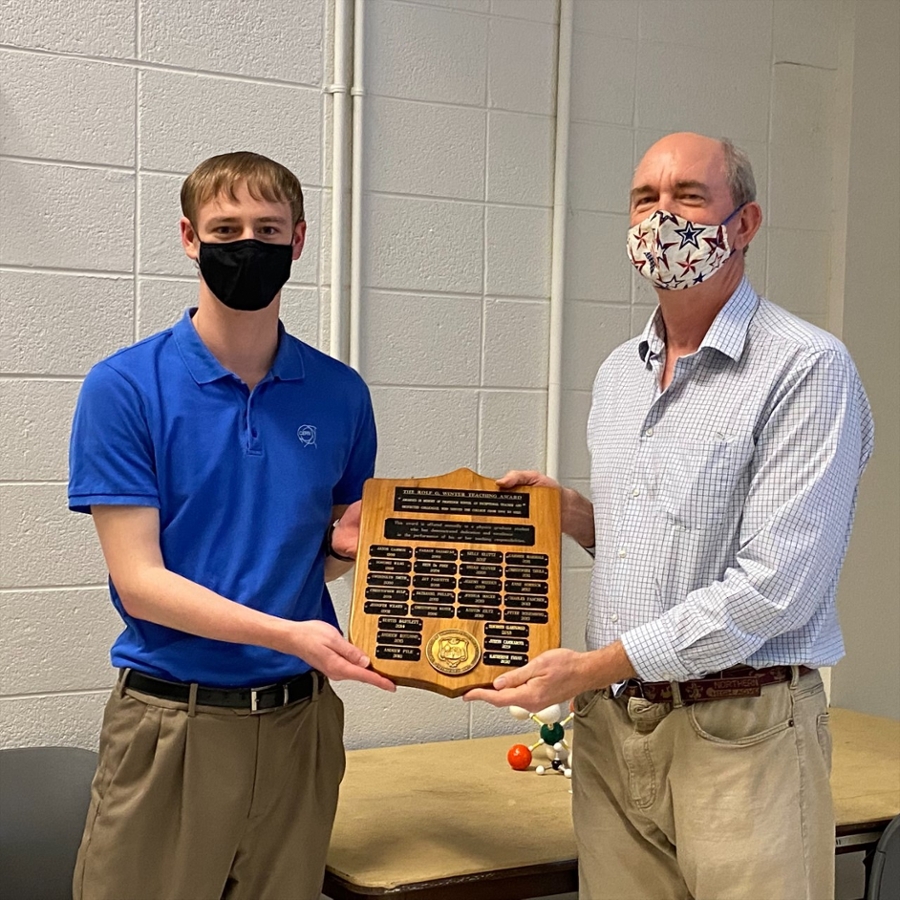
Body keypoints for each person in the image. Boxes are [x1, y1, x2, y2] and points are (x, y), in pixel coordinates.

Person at [466, 132, 874, 900]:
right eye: (644, 199)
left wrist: (589, 667)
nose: (662, 218)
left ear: (744, 224)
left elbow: (769, 593)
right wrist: (579, 517)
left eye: (688, 197)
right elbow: (663, 539)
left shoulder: (807, 368)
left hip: (741, 728)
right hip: (616, 733)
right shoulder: (622, 372)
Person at [68, 151, 394, 900]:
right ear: (190, 238)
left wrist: (342, 552)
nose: (248, 244)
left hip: (299, 725)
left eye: (267, 227)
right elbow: (142, 585)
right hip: (174, 723)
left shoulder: (340, 394)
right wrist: (289, 633)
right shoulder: (124, 387)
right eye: (226, 228)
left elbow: (323, 558)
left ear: (299, 240)